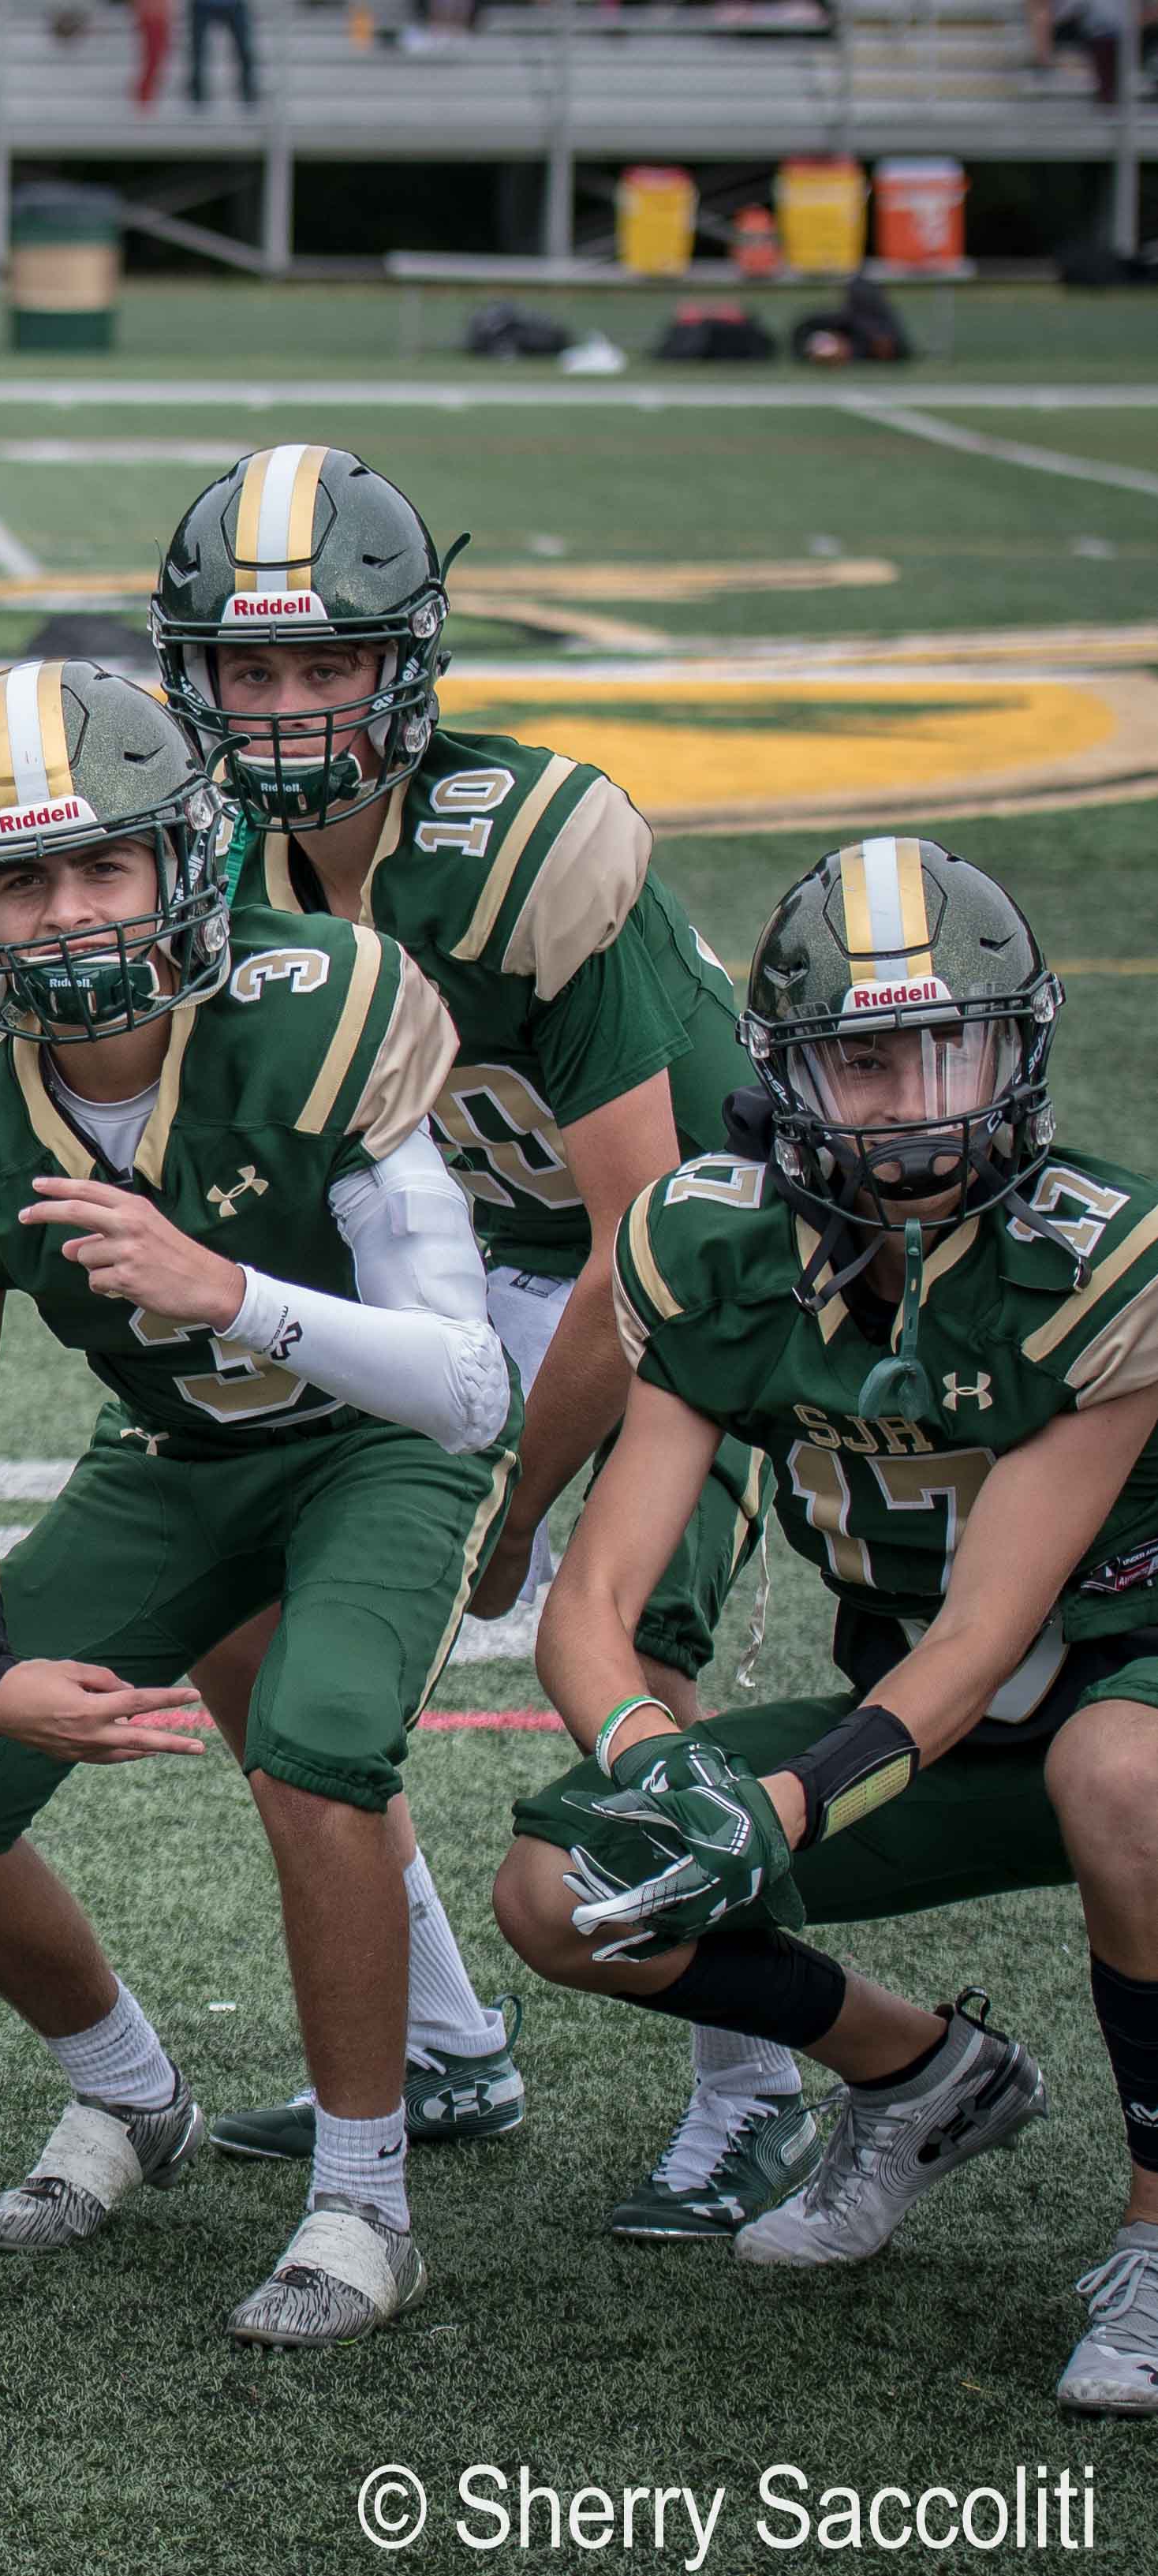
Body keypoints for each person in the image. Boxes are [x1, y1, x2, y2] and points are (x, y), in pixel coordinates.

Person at [0, 663, 517, 2350]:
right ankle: (132, 2096)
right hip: (178, 1459)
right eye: (19, 878)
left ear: (181, 864)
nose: (65, 916)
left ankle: (363, 2193)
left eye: (101, 868)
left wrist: (235, 1294)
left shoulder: (321, 1007)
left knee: (317, 1743)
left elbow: (465, 1384)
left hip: (371, 1441)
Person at [151, 445, 786, 2236]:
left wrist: (507, 1508)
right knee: (230, 1590)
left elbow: (644, 1244)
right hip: (480, 1255)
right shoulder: (217, 867)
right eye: (245, 669)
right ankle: (435, 2037)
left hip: (727, 1274)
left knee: (618, 1663)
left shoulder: (518, 844)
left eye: (321, 665)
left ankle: (758, 2083)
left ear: (404, 665)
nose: (279, 711)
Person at [493, 838, 1158, 2417]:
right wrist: (659, 1763)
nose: (916, 1098)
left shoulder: (1093, 1256)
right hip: (927, 1716)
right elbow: (592, 1602)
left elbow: (990, 1626)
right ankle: (922, 2073)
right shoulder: (709, 1246)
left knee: (1121, 1777)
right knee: (557, 1887)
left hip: (1114, 1681)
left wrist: (778, 1807)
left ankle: (1155, 2237)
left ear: (1021, 1046)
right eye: (866, 1059)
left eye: (954, 1046)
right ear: (787, 1070)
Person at [186, 0, 256, 107]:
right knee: (198, 52)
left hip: (232, 5)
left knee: (244, 50)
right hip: (203, 5)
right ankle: (196, 93)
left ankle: (248, 91)